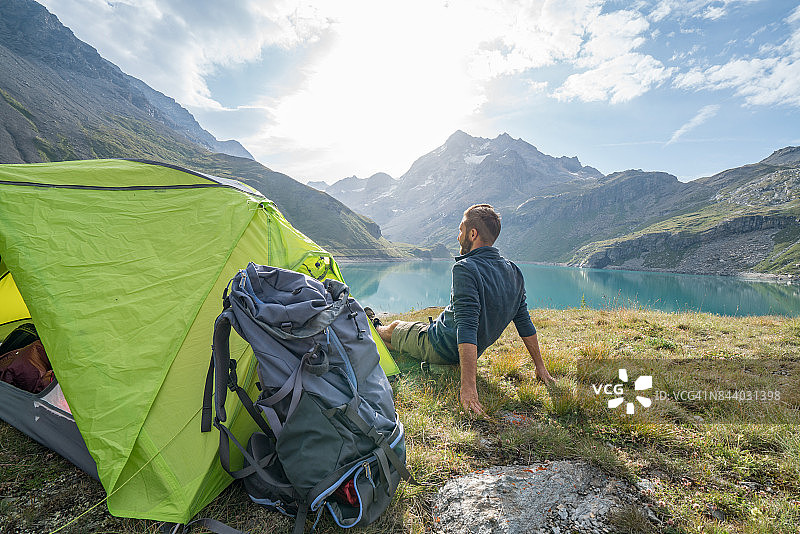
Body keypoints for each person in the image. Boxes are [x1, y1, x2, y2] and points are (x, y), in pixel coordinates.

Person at [375, 204, 554, 416]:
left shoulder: (466, 267)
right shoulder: (513, 270)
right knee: (396, 340)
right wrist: (540, 368)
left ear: (472, 233)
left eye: (461, 230)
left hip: (440, 345)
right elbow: (524, 321)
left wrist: (468, 388)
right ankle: (384, 337)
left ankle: (372, 327)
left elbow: (467, 326)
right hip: (460, 347)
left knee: (393, 328)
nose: (458, 236)